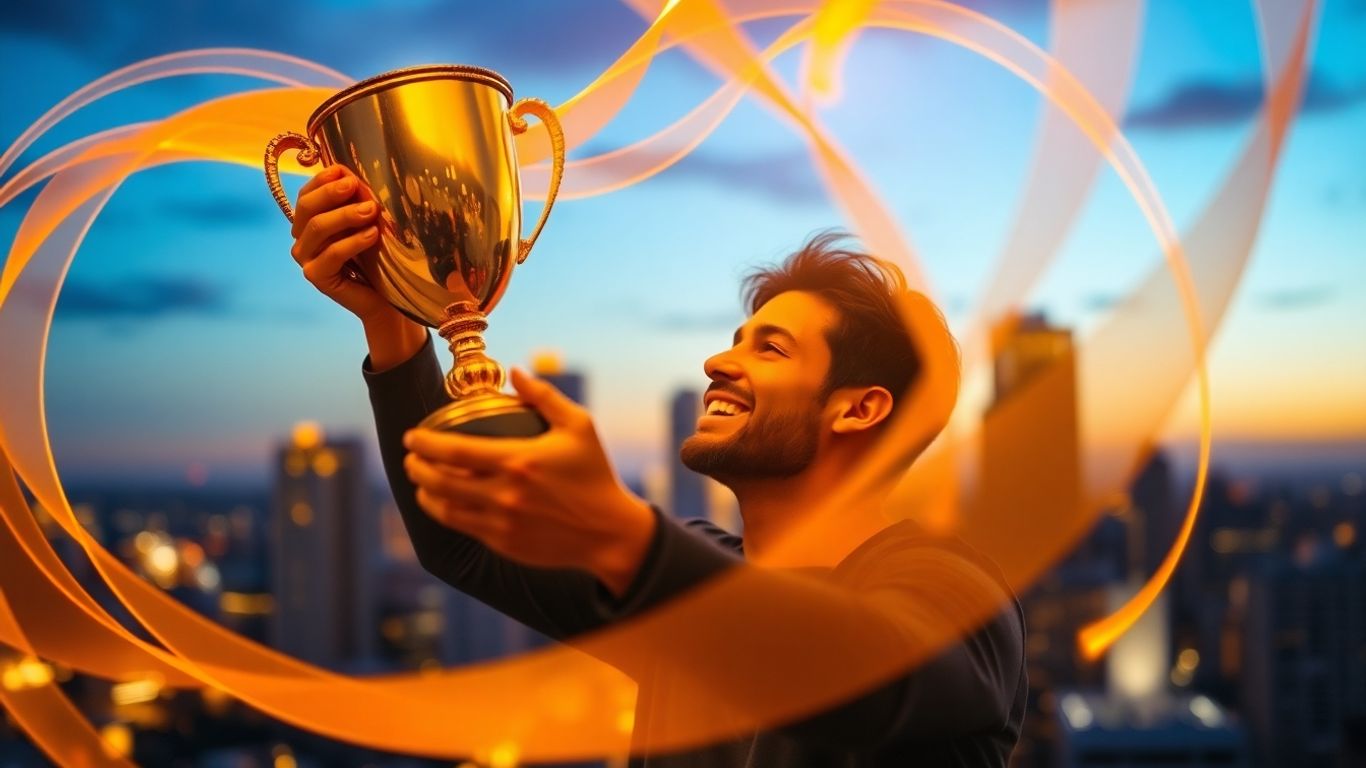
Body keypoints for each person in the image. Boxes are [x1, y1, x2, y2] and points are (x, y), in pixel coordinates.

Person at [288, 165, 1027, 766]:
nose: (716, 363)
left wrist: (624, 538)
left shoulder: (950, 587)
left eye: (771, 349)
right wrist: (391, 319)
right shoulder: (682, 578)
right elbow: (464, 543)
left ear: (859, 409)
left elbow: (875, 681)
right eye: (734, 341)